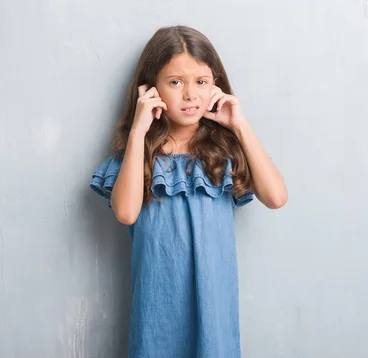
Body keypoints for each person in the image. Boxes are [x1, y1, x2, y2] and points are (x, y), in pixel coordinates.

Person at [89, 25, 288, 358]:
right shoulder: (138, 155)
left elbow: (276, 197)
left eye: (201, 82)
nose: (190, 95)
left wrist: (239, 124)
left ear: (215, 86)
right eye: (175, 82)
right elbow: (125, 213)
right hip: (158, 311)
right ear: (151, 89)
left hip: (215, 311)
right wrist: (139, 130)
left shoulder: (224, 150)